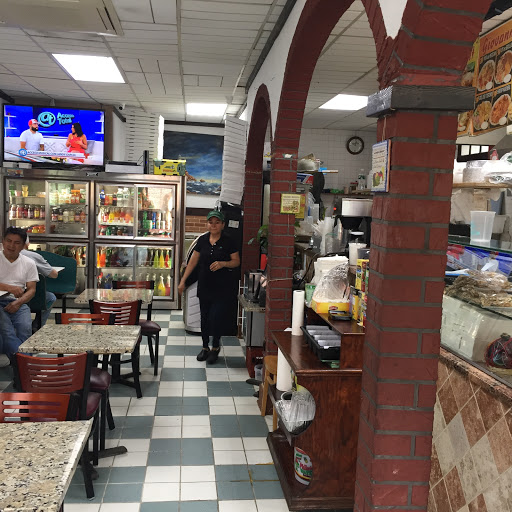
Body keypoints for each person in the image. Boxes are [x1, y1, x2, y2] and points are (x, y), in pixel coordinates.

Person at [178, 210, 240, 364]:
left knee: (216, 317)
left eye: (217, 222)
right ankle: (205, 347)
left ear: (223, 225)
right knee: (204, 318)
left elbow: (236, 261)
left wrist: (223, 264)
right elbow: (193, 261)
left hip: (222, 287)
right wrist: (183, 280)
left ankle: (215, 347)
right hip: (204, 285)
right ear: (207, 224)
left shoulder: (229, 241)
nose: (213, 225)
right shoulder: (203, 240)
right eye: (210, 222)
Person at [0, 227, 38, 360]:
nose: (11, 245)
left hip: (18, 302)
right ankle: (26, 363)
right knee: (7, 330)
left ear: (23, 246)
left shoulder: (29, 263)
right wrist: (10, 288)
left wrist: (18, 302)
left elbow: (32, 289)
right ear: (3, 241)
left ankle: (21, 363)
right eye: (8, 241)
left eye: (17, 243)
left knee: (25, 328)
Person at [21, 236, 58, 327]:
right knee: (51, 297)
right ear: (27, 244)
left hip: (7, 294)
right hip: (30, 297)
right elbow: (54, 274)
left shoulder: (3, 254)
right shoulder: (33, 256)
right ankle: (37, 326)